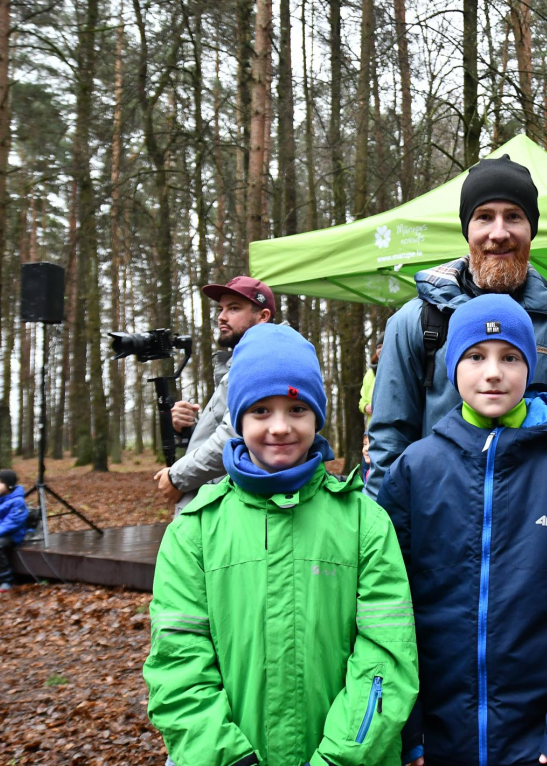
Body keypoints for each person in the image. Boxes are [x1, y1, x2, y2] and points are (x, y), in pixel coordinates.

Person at [144, 323, 419, 766]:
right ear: (237, 420)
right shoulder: (193, 531)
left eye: (296, 409)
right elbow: (178, 666)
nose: (279, 428)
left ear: (316, 417)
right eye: (260, 411)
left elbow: (386, 658)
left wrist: (338, 759)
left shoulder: (364, 523)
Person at [377, 294, 547, 766]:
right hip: (436, 742)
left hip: (538, 742)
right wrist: (406, 731)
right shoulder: (416, 469)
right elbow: (387, 609)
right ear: (452, 366)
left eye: (510, 357)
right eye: (475, 356)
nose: (493, 372)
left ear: (530, 365)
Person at [364, 154, 547, 498]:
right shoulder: (416, 322)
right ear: (467, 230)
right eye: (484, 217)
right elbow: (388, 445)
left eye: (514, 216)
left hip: (540, 534)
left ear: (532, 230)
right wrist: (386, 541)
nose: (499, 233)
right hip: (440, 529)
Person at [153, 276, 275, 512]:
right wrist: (191, 425)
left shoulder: (263, 359)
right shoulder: (241, 362)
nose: (221, 316)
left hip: (235, 510)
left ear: (263, 317)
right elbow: (234, 424)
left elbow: (235, 435)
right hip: (219, 507)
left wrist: (177, 477)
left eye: (234, 308)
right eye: (221, 309)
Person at [360, 332, 383, 428]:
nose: (381, 350)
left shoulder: (398, 369)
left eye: (384, 346)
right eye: (379, 347)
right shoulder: (370, 373)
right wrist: (365, 407)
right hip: (372, 427)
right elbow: (362, 400)